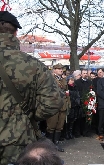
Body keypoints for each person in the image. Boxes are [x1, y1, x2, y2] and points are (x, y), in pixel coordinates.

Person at [0, 11, 64, 165]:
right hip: (17, 140)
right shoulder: (33, 65)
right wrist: (28, 116)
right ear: (16, 33)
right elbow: (53, 101)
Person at [46, 63, 69, 152]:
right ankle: (49, 145)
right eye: (59, 69)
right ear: (54, 70)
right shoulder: (50, 79)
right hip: (53, 105)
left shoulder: (63, 79)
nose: (61, 70)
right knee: (51, 125)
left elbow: (65, 90)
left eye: (62, 69)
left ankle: (56, 143)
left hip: (62, 104)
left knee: (59, 126)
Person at [74, 69, 92, 137]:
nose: (85, 74)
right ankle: (77, 132)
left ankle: (85, 132)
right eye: (84, 73)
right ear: (81, 74)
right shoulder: (77, 82)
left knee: (87, 118)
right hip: (80, 102)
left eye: (86, 73)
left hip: (88, 102)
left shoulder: (89, 82)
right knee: (79, 118)